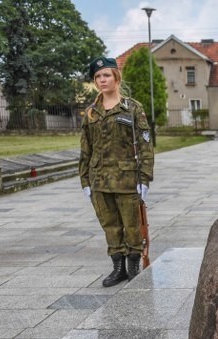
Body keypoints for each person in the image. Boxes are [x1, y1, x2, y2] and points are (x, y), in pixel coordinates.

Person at [80, 57, 154, 287]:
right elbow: (85, 150)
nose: (102, 80)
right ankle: (118, 268)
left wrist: (145, 178)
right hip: (99, 179)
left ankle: (133, 266)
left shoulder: (132, 108)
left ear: (116, 78)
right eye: (98, 77)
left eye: (106, 75)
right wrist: (85, 181)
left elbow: (145, 145)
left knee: (132, 225)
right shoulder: (91, 112)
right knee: (110, 225)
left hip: (127, 178)